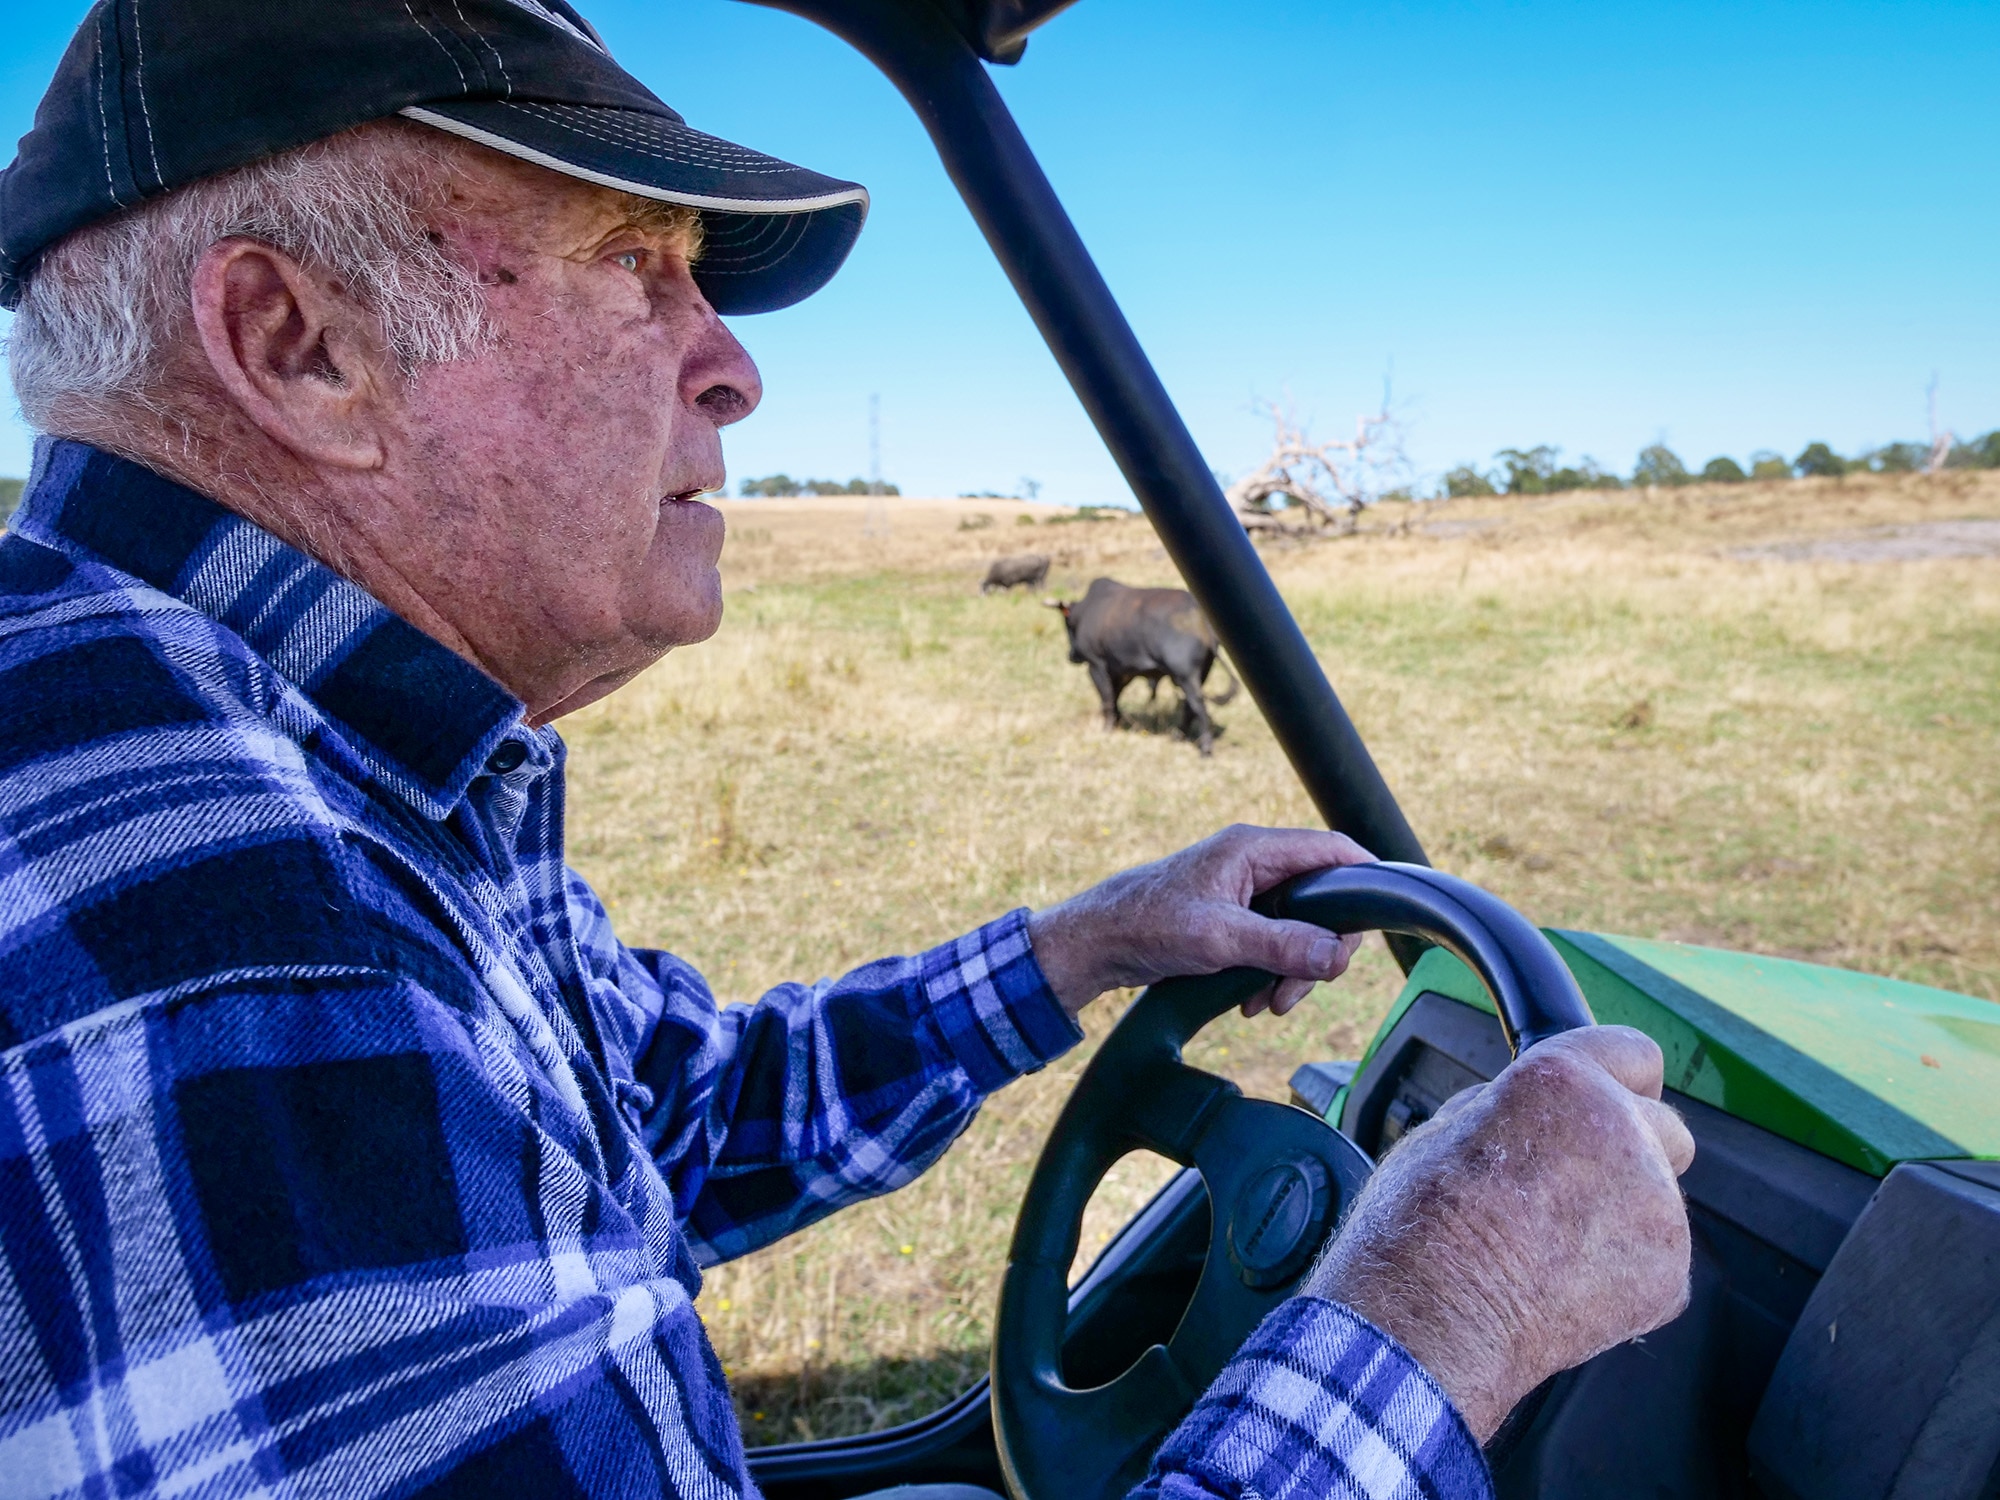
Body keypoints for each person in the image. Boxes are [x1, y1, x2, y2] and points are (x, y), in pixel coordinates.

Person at [0, 2, 1694, 1497]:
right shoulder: (217, 910)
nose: (730, 368)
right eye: (630, 263)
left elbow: (652, 1120)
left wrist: (1083, 945)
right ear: (301, 347)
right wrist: (1446, 1311)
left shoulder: (320, 757)